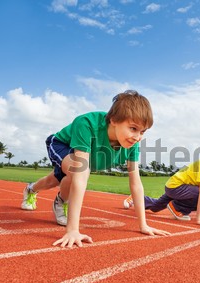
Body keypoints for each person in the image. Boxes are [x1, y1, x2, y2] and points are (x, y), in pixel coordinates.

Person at [21, 90, 170, 248]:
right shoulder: (86, 124)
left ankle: (32, 189)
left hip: (81, 160)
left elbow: (136, 184)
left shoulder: (132, 143)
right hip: (61, 144)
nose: (137, 137)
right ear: (113, 120)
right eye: (133, 128)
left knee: (54, 179)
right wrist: (73, 230)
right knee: (77, 172)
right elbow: (80, 176)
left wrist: (143, 225)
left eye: (142, 132)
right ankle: (59, 201)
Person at [124, 136, 200, 227]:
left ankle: (135, 198)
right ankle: (177, 207)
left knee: (155, 207)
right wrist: (199, 219)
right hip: (176, 186)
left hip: (183, 189)